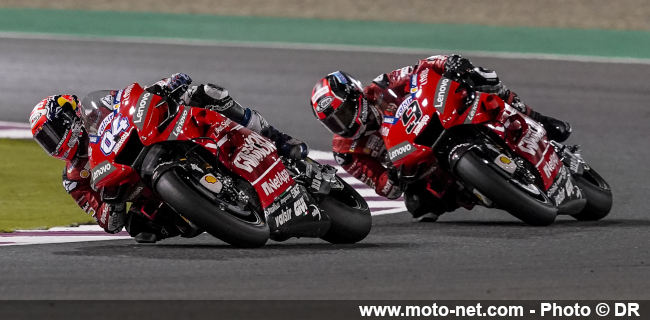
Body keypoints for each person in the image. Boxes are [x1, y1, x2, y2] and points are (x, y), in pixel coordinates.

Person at [29, 73, 308, 242]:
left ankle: (278, 138)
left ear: (69, 117)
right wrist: (112, 205)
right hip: (142, 188)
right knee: (140, 229)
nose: (54, 144)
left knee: (208, 93)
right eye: (46, 142)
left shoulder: (98, 110)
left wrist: (166, 85)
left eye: (53, 133)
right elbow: (108, 223)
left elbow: (131, 102)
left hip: (154, 138)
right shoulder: (75, 179)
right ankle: (199, 212)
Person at [310, 54, 572, 222]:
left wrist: (448, 64)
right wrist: (392, 179)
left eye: (343, 113)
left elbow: (420, 69)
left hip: (437, 121)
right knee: (420, 207)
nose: (341, 124)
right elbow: (382, 186)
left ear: (356, 96)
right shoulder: (346, 152)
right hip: (419, 167)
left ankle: (538, 118)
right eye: (333, 122)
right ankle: (490, 189)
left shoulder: (380, 87)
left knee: (481, 77)